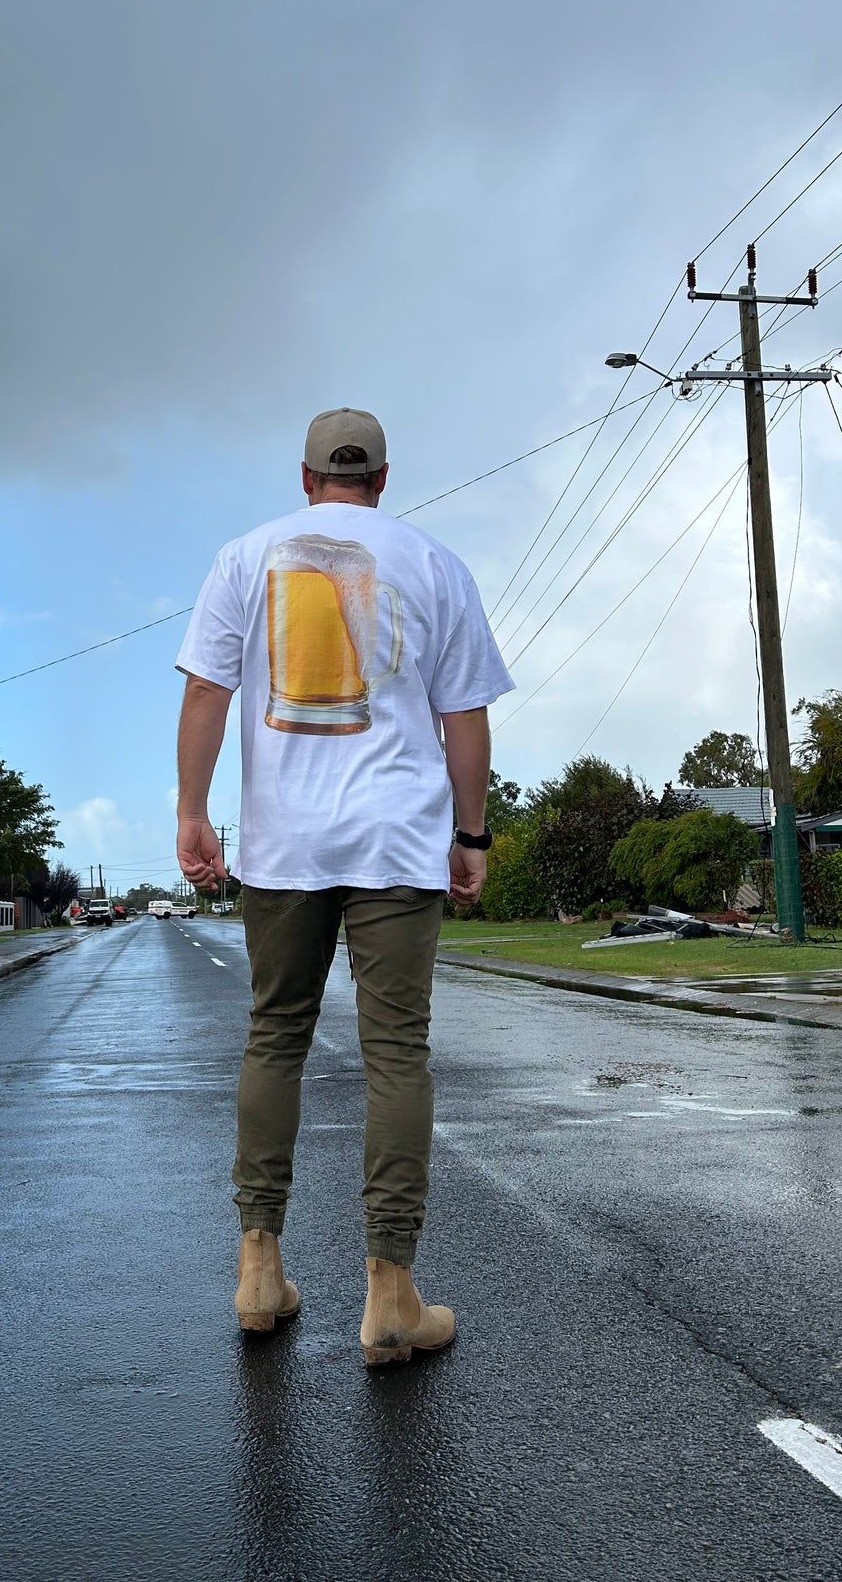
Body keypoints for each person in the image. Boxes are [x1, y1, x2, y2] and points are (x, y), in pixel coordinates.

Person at [175, 407, 512, 1367]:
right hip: (398, 840)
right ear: (383, 476)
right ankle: (389, 1294)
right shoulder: (435, 562)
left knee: (274, 1034)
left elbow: (207, 690)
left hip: (283, 842)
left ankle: (256, 1268)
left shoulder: (245, 556)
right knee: (395, 1052)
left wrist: (194, 811)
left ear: (307, 475)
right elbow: (465, 718)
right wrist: (470, 832)